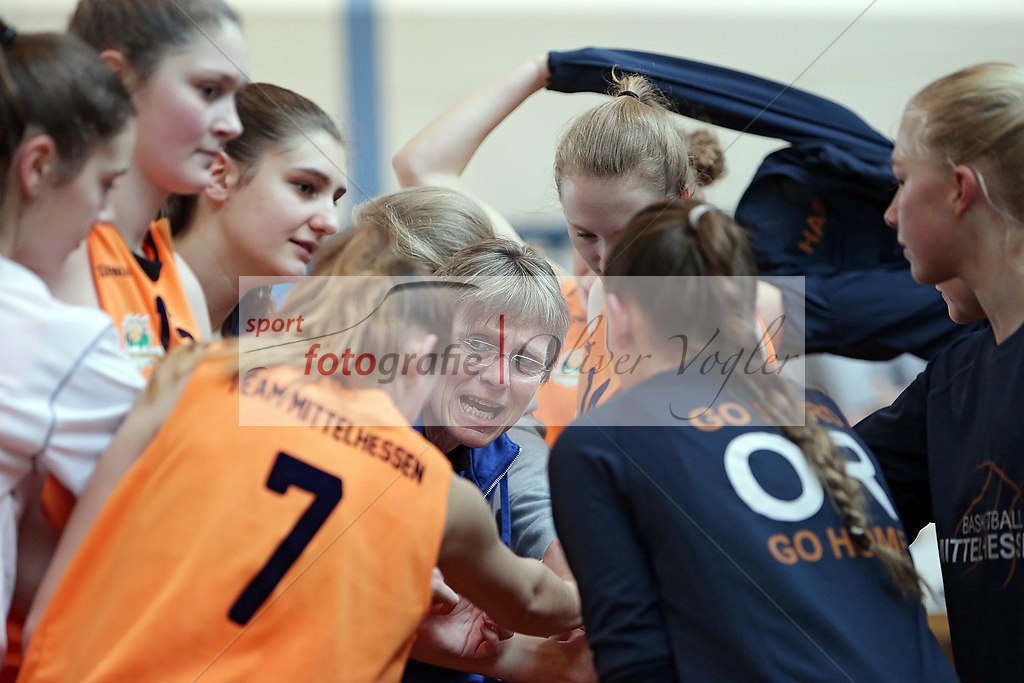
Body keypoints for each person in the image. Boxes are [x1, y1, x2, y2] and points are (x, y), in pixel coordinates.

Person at [20, 261, 581, 682]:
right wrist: (608, 600)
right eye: (477, 345)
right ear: (427, 345)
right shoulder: (394, 462)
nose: (498, 376)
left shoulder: (496, 457)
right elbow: (527, 599)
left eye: (525, 361)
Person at [549, 199, 957, 682]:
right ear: (746, 313)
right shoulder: (816, 413)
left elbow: (636, 661)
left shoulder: (601, 443)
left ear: (616, 316)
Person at [854, 63, 1024, 683]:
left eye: (902, 181)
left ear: (959, 189)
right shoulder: (956, 376)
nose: (890, 213)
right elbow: (820, 497)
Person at [0, 20, 141, 657]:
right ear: (38, 165)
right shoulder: (48, 334)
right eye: (104, 185)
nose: (103, 216)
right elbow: (203, 468)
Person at [52, 0, 249, 371]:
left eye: (235, 98)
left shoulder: (183, 283)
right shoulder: (55, 253)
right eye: (209, 90)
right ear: (115, 80)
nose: (233, 125)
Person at [169, 82, 346, 333]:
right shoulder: (119, 297)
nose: (330, 223)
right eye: (305, 187)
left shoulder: (261, 334)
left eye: (335, 200)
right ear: (220, 176)